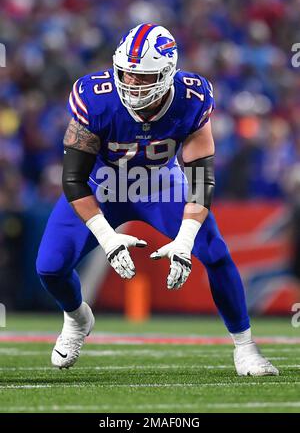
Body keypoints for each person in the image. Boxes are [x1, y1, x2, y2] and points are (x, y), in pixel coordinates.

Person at [36, 23, 278, 376]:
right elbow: (72, 178)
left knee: (214, 252)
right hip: (101, 185)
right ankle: (76, 318)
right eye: (126, 74)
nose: (131, 84)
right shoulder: (94, 96)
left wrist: (184, 239)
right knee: (50, 267)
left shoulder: (192, 98)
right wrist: (106, 238)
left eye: (143, 77)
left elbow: (199, 175)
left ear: (167, 74)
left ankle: (246, 348)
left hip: (160, 184)